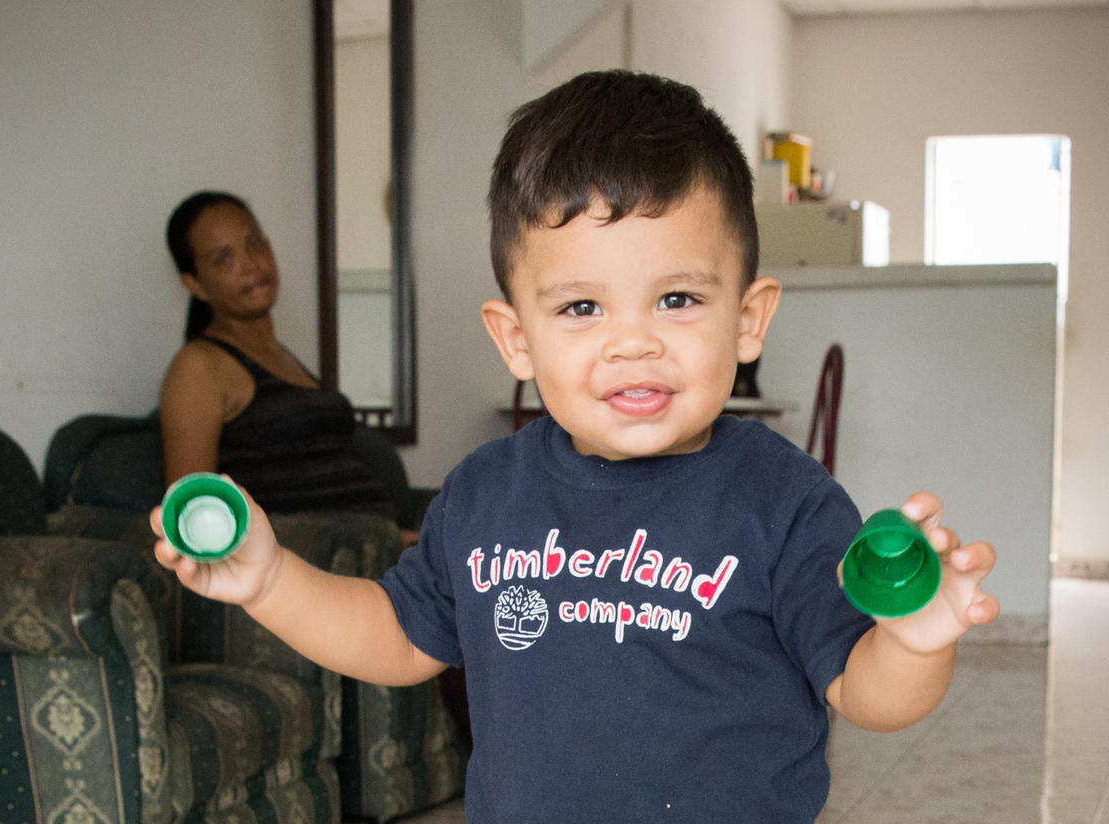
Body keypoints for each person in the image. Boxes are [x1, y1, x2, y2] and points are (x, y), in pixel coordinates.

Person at [152, 72, 999, 823]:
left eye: (675, 298)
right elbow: (399, 639)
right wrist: (269, 580)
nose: (632, 343)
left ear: (747, 319)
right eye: (581, 309)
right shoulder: (484, 495)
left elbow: (866, 691)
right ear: (515, 339)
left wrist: (915, 641)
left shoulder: (785, 501)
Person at [159, 191, 404, 530]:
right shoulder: (198, 367)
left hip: (375, 553)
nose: (251, 264)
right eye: (224, 259)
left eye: (255, 244)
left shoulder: (281, 356)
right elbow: (190, 513)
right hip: (302, 567)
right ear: (195, 284)